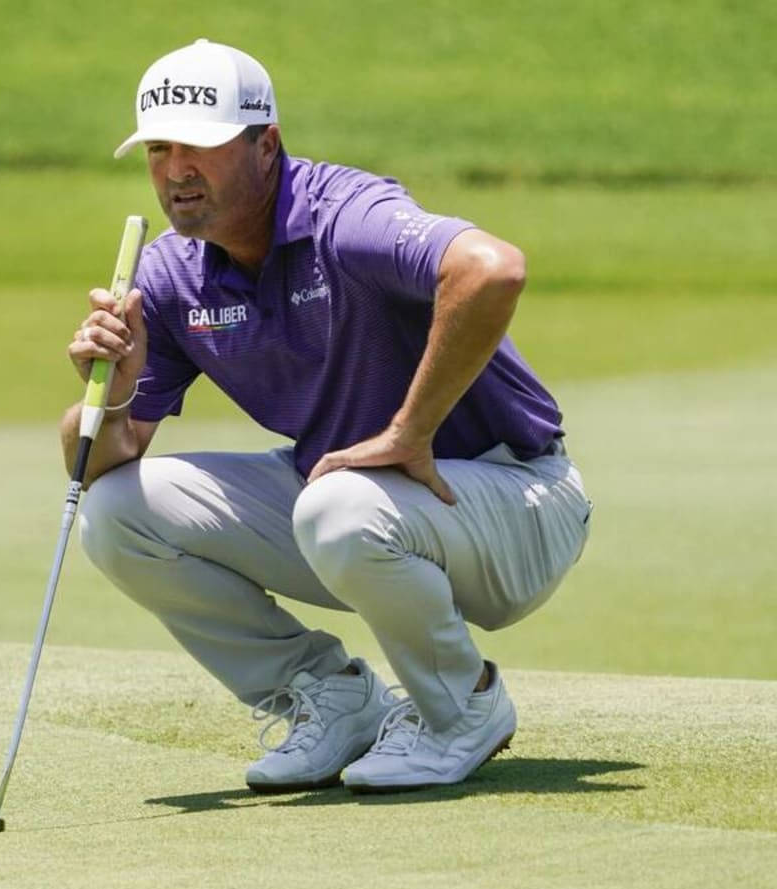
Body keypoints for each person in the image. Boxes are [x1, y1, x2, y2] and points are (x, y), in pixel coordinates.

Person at [62, 39, 592, 793]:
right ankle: (332, 697)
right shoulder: (173, 273)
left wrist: (411, 430)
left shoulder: (346, 215)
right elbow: (96, 467)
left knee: (336, 504)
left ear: (265, 144)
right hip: (365, 509)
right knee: (115, 513)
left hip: (518, 500)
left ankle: (461, 709)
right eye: (159, 147)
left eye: (201, 146)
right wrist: (111, 383)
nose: (176, 169)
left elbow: (492, 269)